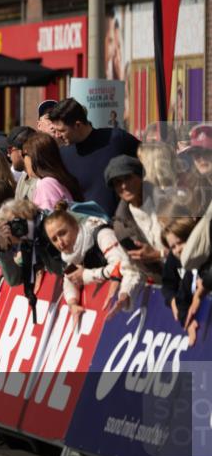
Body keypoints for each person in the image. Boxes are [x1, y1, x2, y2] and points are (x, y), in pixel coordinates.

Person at [44, 200, 142, 323]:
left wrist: (86, 275)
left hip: (135, 295)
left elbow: (123, 266)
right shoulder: (70, 254)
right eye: (54, 239)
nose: (60, 243)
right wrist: (72, 304)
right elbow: (70, 279)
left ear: (75, 225)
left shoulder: (101, 234)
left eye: (62, 233)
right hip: (113, 310)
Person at [48, 98, 140, 216]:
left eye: (61, 131)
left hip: (122, 223)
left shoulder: (116, 139)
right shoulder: (62, 155)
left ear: (78, 125)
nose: (57, 136)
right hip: (84, 228)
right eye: (55, 131)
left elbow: (148, 161)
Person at [106, 155, 164, 285]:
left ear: (140, 176)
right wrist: (125, 291)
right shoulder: (120, 226)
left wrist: (159, 254)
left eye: (128, 178)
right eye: (117, 183)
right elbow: (133, 267)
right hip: (168, 288)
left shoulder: (170, 201)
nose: (124, 186)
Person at [160, 212, 209, 347]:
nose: (178, 250)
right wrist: (186, 320)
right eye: (173, 247)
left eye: (181, 242)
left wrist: (202, 289)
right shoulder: (183, 266)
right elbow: (177, 293)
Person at [21, 131, 84, 211]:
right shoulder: (61, 179)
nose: (23, 160)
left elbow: (49, 220)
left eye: (24, 154)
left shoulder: (46, 185)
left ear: (35, 156)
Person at [6, 126, 38, 201]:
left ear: (23, 151)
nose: (8, 154)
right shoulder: (23, 177)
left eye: (10, 150)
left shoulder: (42, 182)